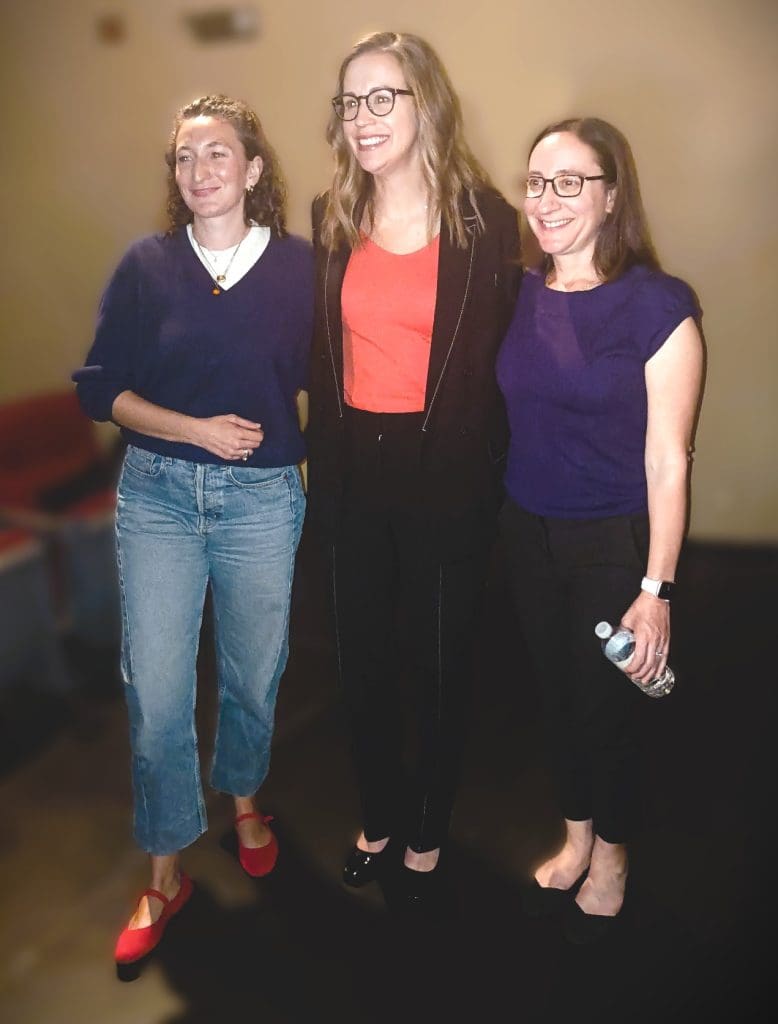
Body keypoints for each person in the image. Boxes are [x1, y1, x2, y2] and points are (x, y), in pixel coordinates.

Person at [74, 95, 312, 963]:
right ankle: (165, 868)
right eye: (184, 158)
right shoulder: (146, 268)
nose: (200, 169)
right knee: (160, 690)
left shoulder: (300, 269)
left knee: (254, 672)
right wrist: (194, 429)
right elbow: (102, 388)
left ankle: (245, 801)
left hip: (260, 501)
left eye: (218, 154)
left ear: (253, 170)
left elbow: (341, 371)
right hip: (160, 498)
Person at [307, 31, 521, 909]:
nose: (363, 118)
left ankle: (430, 821)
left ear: (425, 102)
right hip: (354, 466)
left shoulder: (486, 223)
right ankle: (379, 818)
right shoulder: (331, 217)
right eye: (351, 101)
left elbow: (520, 353)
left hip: (446, 474)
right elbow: (314, 354)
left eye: (382, 97)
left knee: (436, 660)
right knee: (359, 663)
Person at [496, 117, 704, 942]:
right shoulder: (519, 293)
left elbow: (669, 461)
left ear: (612, 195)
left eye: (570, 182)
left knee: (604, 710)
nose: (546, 200)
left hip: (610, 542)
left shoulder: (659, 305)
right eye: (536, 182)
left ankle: (613, 855)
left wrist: (655, 590)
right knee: (553, 698)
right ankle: (577, 833)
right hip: (525, 530)